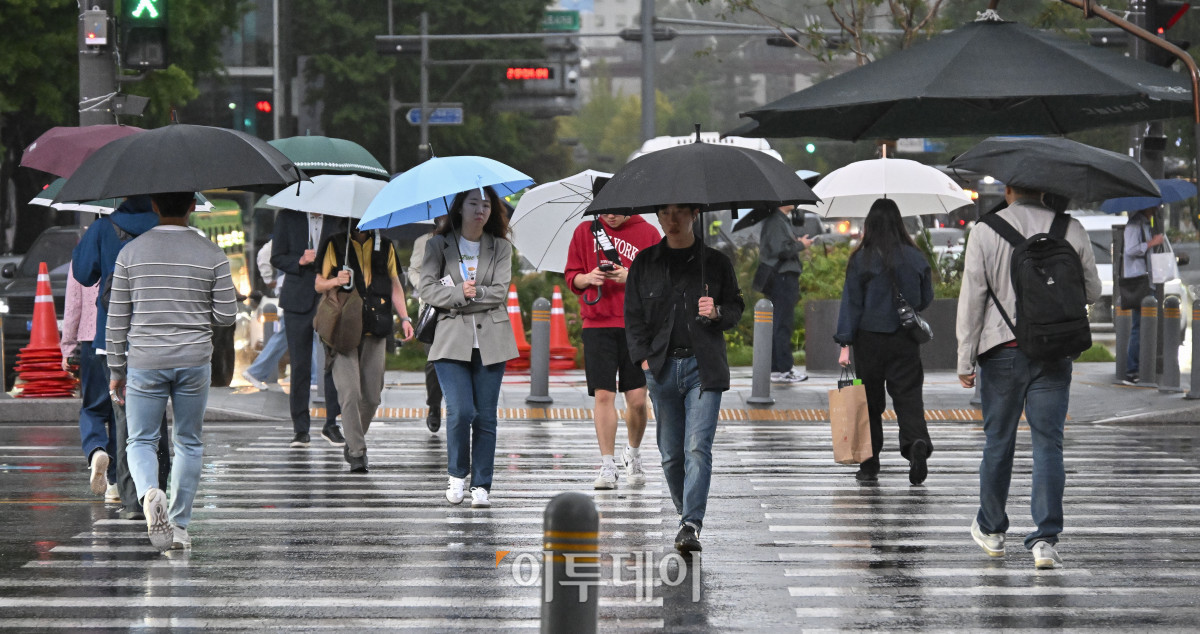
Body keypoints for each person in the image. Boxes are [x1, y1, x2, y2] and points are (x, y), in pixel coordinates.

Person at [957, 184, 1100, 570]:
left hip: (1001, 350)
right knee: (1049, 444)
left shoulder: (985, 231)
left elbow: (973, 299)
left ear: (1008, 190)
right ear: (1044, 187)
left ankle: (992, 530)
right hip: (1054, 350)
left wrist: (965, 359)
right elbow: (1093, 290)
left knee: (998, 442)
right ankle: (1045, 540)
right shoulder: (1070, 228)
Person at [107, 191, 239, 552]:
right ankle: (178, 526)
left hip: (145, 360)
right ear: (192, 206)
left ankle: (150, 493)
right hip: (194, 359)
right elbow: (227, 315)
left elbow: (117, 319)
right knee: (188, 441)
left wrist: (116, 368)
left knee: (140, 440)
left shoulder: (130, 253)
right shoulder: (212, 253)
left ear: (154, 205)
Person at [625, 203, 745, 554]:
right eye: (664, 212)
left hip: (703, 368)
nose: (672, 219)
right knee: (670, 455)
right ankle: (685, 514)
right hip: (661, 368)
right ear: (658, 217)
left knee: (697, 447)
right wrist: (644, 361)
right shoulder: (645, 263)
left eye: (680, 212)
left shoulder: (716, 262)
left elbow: (736, 306)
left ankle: (691, 523)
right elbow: (633, 316)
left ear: (695, 214)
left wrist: (717, 311)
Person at [71, 195, 170, 521]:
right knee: (157, 419)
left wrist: (90, 240)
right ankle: (158, 490)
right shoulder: (166, 228)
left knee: (124, 419)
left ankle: (133, 500)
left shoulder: (103, 228)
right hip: (157, 335)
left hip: (112, 337)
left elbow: (84, 274)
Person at [420, 187, 518, 509]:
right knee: (461, 411)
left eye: (486, 205)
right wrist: (461, 293)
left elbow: (499, 292)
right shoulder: (438, 245)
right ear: (460, 208)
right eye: (474, 203)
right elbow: (427, 289)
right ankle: (456, 475)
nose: (480, 210)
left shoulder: (501, 247)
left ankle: (481, 485)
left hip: (492, 340)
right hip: (450, 340)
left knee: (486, 417)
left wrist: (471, 296)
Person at [833, 198, 934, 485]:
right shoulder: (915, 257)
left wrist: (844, 343)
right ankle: (916, 444)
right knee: (908, 398)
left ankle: (869, 464)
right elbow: (924, 298)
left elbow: (852, 303)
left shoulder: (862, 259)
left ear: (870, 225)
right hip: (905, 339)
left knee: (869, 402)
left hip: (869, 340)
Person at [564, 211, 661, 490]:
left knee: (638, 399)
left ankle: (633, 453)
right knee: (603, 394)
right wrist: (588, 278)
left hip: (636, 326)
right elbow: (572, 277)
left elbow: (659, 280)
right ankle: (607, 464)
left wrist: (630, 276)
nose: (610, 216)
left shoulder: (648, 233)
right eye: (605, 210)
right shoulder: (585, 231)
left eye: (616, 210)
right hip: (597, 324)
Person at [316, 225, 415, 472]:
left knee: (371, 397)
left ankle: (352, 441)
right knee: (350, 393)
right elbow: (318, 283)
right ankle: (357, 452)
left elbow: (395, 284)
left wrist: (405, 318)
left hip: (376, 327)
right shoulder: (335, 242)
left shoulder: (386, 245)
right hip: (343, 329)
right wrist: (336, 281)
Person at [270, 209, 344, 448]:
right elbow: (277, 257)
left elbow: (345, 254)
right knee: (300, 365)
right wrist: (300, 261)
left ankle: (331, 424)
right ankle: (300, 429)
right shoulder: (288, 216)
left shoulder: (338, 217)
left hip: (330, 298)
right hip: (297, 298)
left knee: (332, 363)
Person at [61, 263, 117, 501]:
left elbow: (73, 304)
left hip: (91, 338)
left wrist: (68, 346)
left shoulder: (84, 255)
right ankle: (116, 483)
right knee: (119, 411)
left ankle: (96, 450)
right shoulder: (131, 247)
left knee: (92, 408)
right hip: (126, 337)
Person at [759, 204, 814, 383]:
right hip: (782, 277)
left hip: (783, 276)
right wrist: (801, 244)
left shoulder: (781, 221)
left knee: (780, 322)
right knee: (782, 323)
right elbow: (780, 250)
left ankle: (777, 368)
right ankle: (784, 368)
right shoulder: (776, 221)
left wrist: (796, 242)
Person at [1121, 206, 1162, 385]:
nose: (1158, 208)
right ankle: (1132, 370)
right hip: (1139, 280)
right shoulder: (1134, 225)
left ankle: (1140, 368)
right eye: (1155, 205)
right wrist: (1151, 243)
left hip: (1147, 280)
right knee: (1138, 326)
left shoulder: (1146, 224)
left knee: (1144, 325)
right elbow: (1130, 250)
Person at [408, 230, 444, 433]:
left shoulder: (467, 239)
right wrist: (426, 287)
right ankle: (434, 405)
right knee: (434, 360)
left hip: (461, 307)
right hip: (432, 309)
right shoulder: (423, 241)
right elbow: (414, 269)